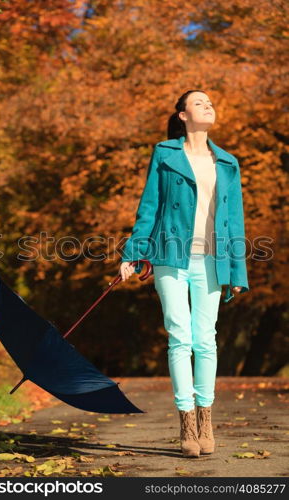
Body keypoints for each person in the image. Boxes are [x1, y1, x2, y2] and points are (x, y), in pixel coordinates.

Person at [119, 89, 249, 458]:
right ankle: (186, 422)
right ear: (182, 115)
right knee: (179, 336)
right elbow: (150, 205)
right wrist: (134, 252)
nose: (208, 105)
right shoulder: (165, 153)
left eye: (210, 102)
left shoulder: (226, 162)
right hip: (169, 255)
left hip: (212, 258)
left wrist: (236, 268)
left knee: (205, 339)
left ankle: (206, 417)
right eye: (199, 102)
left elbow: (234, 219)